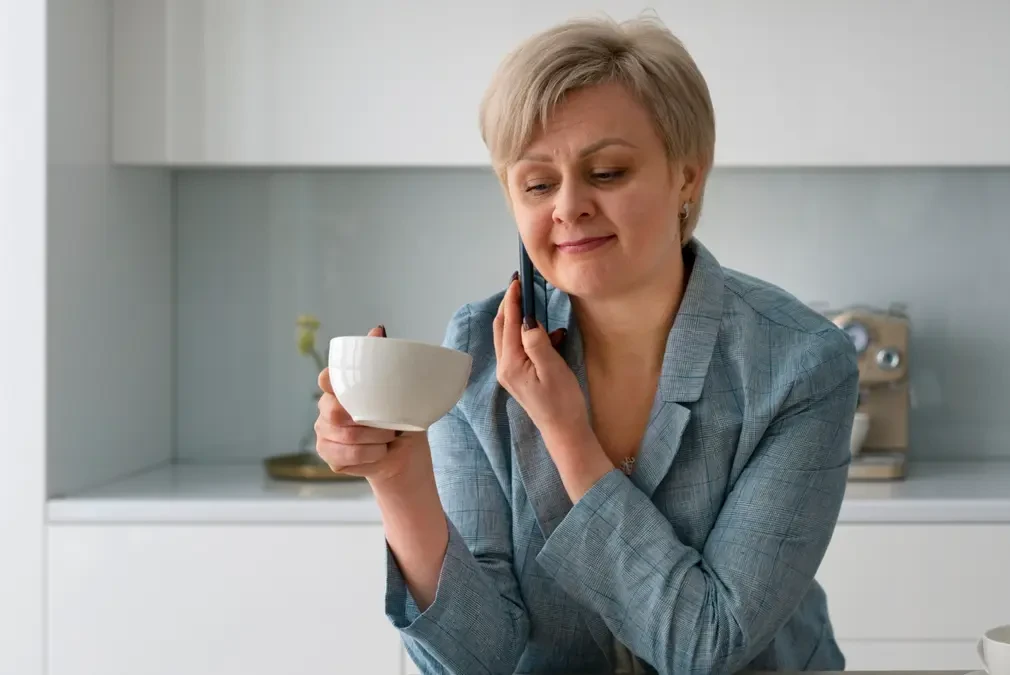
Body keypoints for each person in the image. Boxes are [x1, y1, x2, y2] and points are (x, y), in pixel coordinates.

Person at [313, 14, 859, 675]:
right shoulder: (478, 350)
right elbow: (479, 659)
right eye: (538, 184)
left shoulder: (800, 364)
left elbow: (707, 647)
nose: (568, 206)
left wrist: (567, 435)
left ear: (687, 176)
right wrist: (398, 478)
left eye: (606, 172)